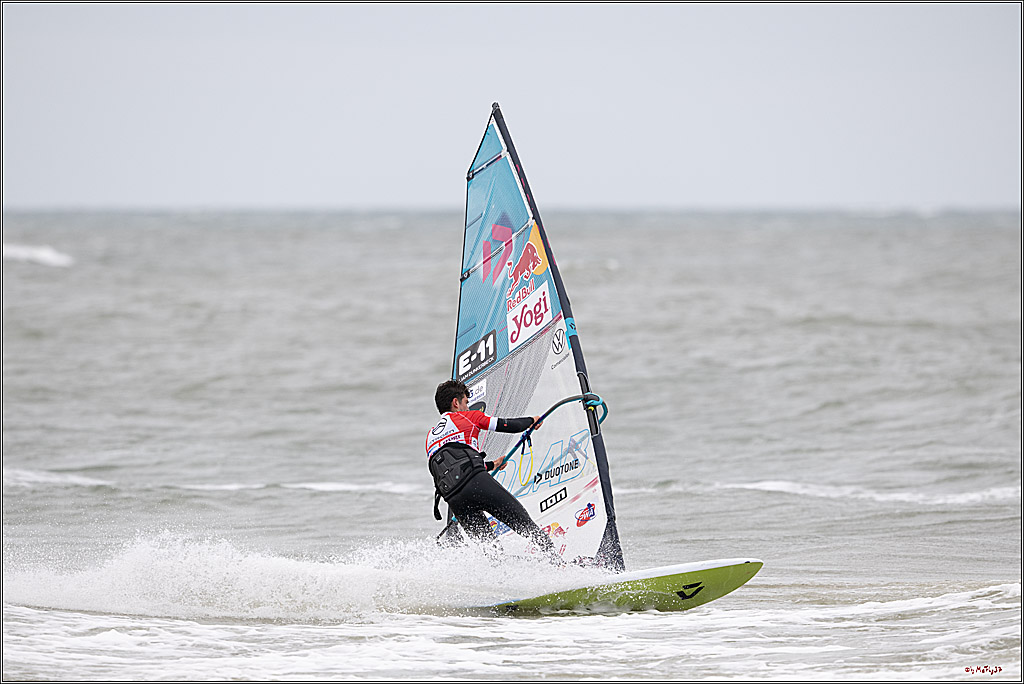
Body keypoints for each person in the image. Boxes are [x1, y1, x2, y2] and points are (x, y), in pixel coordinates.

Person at [426, 379, 563, 564]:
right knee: (527, 526)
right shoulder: (468, 417)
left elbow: (454, 469)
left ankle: (499, 577)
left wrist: (492, 465)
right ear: (456, 403)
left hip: (455, 500)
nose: (467, 407)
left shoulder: (431, 437)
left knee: (491, 551)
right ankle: (558, 563)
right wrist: (532, 421)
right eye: (466, 402)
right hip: (476, 483)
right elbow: (506, 425)